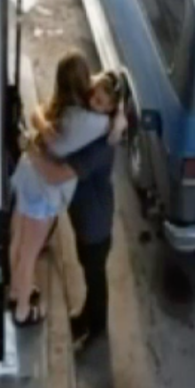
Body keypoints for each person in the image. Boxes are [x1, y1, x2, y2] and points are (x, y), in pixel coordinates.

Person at [8, 53, 126, 326]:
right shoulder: (88, 121)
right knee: (28, 252)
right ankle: (22, 309)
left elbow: (39, 114)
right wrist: (117, 119)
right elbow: (56, 175)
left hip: (33, 181)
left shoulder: (66, 109)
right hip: (43, 189)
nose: (92, 97)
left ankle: (19, 293)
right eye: (92, 92)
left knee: (21, 242)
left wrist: (33, 142)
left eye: (99, 100)